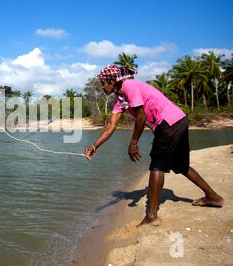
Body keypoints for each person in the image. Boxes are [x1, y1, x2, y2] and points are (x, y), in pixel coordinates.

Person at [84, 64, 224, 226]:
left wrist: (133, 143)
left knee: (157, 165)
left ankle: (151, 216)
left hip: (168, 123)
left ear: (113, 80)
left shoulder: (130, 86)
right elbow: (111, 126)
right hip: (178, 121)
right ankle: (213, 197)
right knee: (181, 165)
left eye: (104, 82)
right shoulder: (120, 99)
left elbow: (141, 116)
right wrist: (94, 146)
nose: (102, 86)